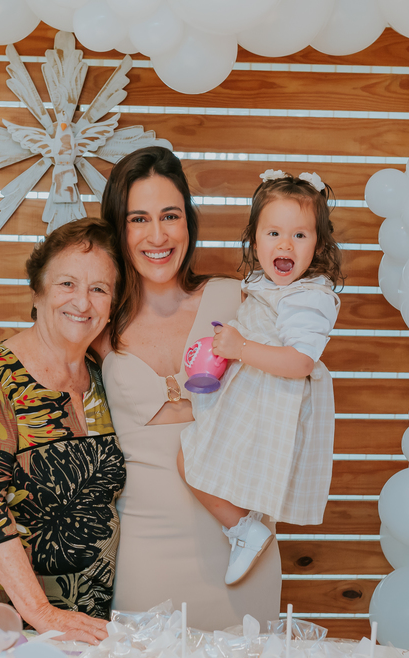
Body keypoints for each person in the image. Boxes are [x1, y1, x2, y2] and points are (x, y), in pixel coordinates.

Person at [96, 146, 282, 631]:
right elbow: (29, 366)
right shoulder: (98, 321)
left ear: (188, 222)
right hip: (144, 554)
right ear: (119, 228)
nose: (157, 236)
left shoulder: (234, 298)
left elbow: (293, 378)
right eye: (138, 218)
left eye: (170, 215)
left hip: (239, 546)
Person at [0, 218, 125, 645]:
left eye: (99, 288)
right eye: (67, 284)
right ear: (37, 292)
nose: (83, 301)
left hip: (88, 616)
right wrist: (42, 613)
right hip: (7, 617)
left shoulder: (103, 376)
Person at [178, 170, 342, 585]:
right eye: (273, 233)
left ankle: (244, 530)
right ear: (254, 239)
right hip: (248, 397)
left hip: (268, 405)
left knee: (191, 459)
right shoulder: (264, 285)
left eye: (300, 236)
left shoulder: (309, 298)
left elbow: (301, 361)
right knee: (192, 459)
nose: (285, 244)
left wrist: (240, 349)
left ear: (318, 246)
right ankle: (243, 527)